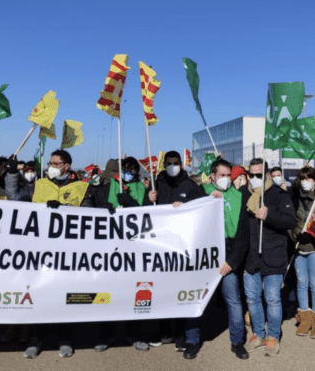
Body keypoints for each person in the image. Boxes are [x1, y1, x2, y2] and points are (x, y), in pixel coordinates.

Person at [20, 149, 89, 359]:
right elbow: (16, 199)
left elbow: (89, 214)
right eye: (50, 163)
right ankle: (36, 339)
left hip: (68, 252)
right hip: (40, 250)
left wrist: (66, 209)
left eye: (55, 163)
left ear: (66, 166)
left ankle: (64, 339)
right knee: (38, 293)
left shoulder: (82, 188)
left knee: (64, 296)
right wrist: (14, 175)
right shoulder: (39, 185)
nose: (51, 166)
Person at [81, 157, 153, 352]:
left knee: (133, 292)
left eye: (132, 170)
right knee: (108, 293)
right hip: (108, 250)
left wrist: (130, 203)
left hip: (133, 250)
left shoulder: (141, 187)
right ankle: (106, 334)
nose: (128, 173)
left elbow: (150, 216)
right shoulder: (104, 184)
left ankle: (135, 334)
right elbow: (87, 205)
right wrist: (101, 208)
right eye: (125, 169)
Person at [186, 159, 251, 360]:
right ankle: (192, 340)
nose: (225, 179)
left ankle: (238, 341)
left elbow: (242, 234)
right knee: (196, 299)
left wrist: (232, 262)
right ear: (212, 176)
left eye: (228, 176)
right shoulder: (200, 192)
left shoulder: (238, 196)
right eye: (221, 175)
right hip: (203, 256)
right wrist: (203, 201)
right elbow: (187, 216)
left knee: (234, 300)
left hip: (227, 254)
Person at [147, 151, 206, 352]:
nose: (172, 166)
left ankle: (181, 335)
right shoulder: (157, 182)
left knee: (181, 292)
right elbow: (148, 213)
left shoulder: (190, 185)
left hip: (182, 248)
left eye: (176, 163)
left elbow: (201, 210)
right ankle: (165, 332)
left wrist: (187, 207)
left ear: (181, 164)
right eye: (169, 163)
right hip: (161, 247)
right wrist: (149, 198)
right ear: (164, 164)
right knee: (162, 291)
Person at [243, 158, 298, 357]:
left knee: (273, 299)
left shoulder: (279, 195)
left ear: (266, 175)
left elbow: (291, 221)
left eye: (259, 175)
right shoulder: (245, 195)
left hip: (273, 255)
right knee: (252, 298)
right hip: (251, 258)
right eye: (252, 175)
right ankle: (258, 333)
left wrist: (269, 217)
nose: (255, 179)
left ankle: (273, 335)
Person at [289, 166, 315, 339]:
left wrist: (314, 235)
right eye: (303, 178)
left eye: (309, 178)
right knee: (301, 282)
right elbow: (290, 220)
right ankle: (304, 318)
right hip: (299, 245)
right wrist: (295, 235)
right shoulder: (295, 197)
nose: (306, 182)